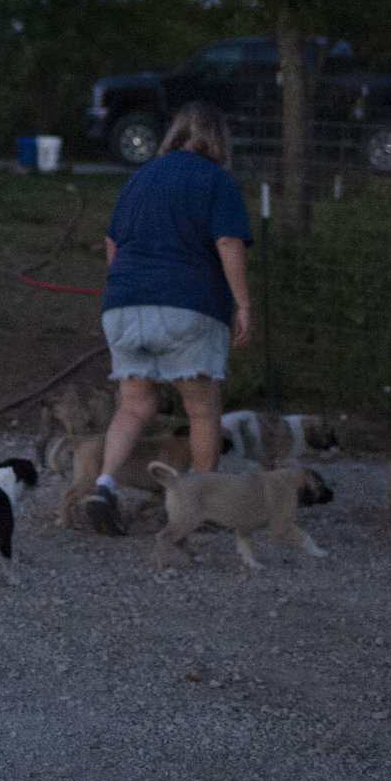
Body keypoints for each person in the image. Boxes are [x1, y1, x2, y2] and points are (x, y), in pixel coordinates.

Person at [81, 101, 254, 535]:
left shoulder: (140, 177)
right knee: (202, 409)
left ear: (175, 135)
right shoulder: (216, 180)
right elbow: (229, 242)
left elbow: (111, 241)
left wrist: (126, 289)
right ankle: (203, 504)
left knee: (135, 405)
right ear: (218, 140)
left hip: (123, 305)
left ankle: (104, 485)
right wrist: (243, 303)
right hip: (188, 306)